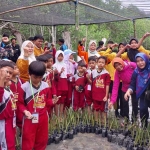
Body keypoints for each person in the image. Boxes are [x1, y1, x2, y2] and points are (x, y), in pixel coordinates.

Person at [18, 61, 58, 150]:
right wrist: (25, 111)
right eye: (35, 77)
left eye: (40, 77)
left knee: (42, 140)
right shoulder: (24, 87)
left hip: (43, 117)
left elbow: (47, 101)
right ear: (29, 74)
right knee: (27, 140)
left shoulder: (46, 85)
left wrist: (52, 101)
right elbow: (20, 103)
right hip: (30, 118)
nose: (37, 80)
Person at [124, 53, 150, 127]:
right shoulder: (136, 72)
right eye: (137, 61)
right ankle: (144, 129)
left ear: (146, 59)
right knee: (143, 110)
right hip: (143, 94)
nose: (140, 63)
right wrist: (128, 91)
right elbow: (133, 84)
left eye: (142, 60)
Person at [0, 60, 16, 150]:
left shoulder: (7, 88)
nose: (9, 75)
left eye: (10, 73)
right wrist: (1, 79)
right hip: (2, 124)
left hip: (10, 123)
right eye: (6, 72)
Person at [91, 56, 111, 124]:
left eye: (103, 62)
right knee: (96, 109)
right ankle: (96, 122)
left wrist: (106, 96)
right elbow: (91, 84)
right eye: (99, 62)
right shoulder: (93, 72)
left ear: (105, 64)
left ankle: (103, 123)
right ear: (97, 63)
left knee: (103, 110)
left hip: (103, 96)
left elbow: (107, 85)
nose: (101, 64)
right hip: (95, 95)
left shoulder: (106, 73)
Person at [53, 50, 68, 117]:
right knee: (57, 100)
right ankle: (56, 115)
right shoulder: (54, 65)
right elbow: (55, 77)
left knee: (62, 100)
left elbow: (66, 75)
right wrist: (60, 72)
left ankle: (61, 114)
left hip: (64, 83)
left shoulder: (65, 65)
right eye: (59, 56)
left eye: (62, 56)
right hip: (58, 84)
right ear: (56, 56)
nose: (60, 57)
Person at [9, 62, 23, 131]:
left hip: (19, 104)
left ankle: (21, 134)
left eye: (17, 68)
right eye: (15, 68)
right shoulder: (8, 82)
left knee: (20, 119)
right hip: (12, 105)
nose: (17, 69)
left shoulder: (20, 80)